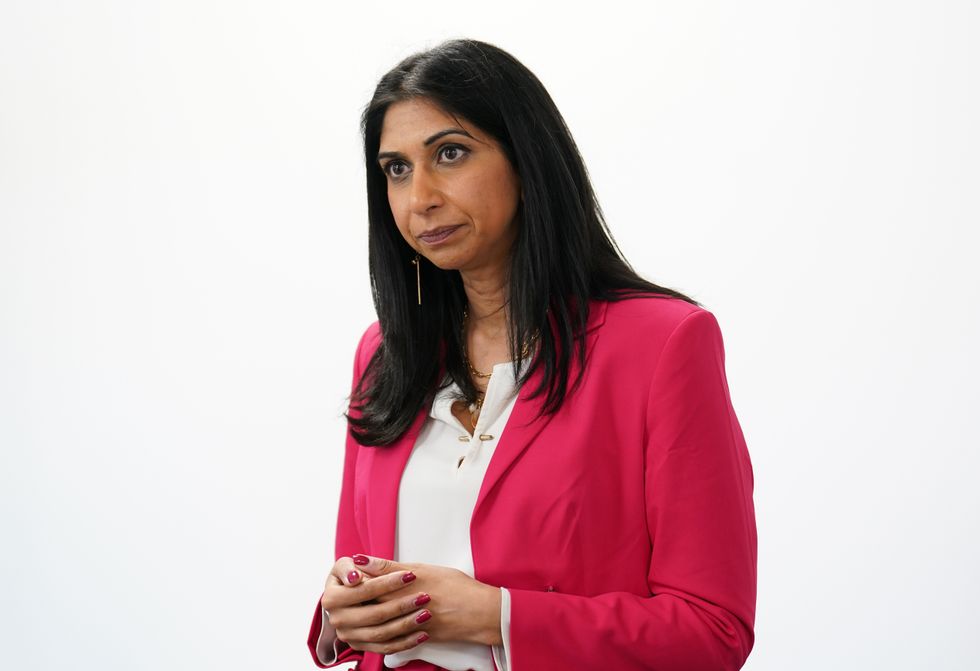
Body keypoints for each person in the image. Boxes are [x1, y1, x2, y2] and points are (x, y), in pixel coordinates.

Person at [307, 38, 757, 671]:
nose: (420, 197)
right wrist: (344, 612)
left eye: (450, 154)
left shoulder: (662, 345)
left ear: (526, 160)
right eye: (396, 169)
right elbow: (360, 568)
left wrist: (499, 617)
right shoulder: (385, 354)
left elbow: (713, 631)